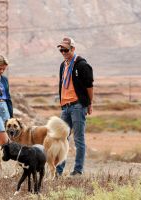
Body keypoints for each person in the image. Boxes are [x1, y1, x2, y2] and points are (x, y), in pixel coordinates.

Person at [55, 37, 94, 176]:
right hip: (65, 107)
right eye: (61, 50)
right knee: (61, 139)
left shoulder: (82, 65)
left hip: (78, 106)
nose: (63, 52)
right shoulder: (63, 65)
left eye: (66, 49)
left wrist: (89, 103)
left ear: (73, 49)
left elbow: (89, 86)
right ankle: (58, 171)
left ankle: (78, 170)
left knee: (78, 139)